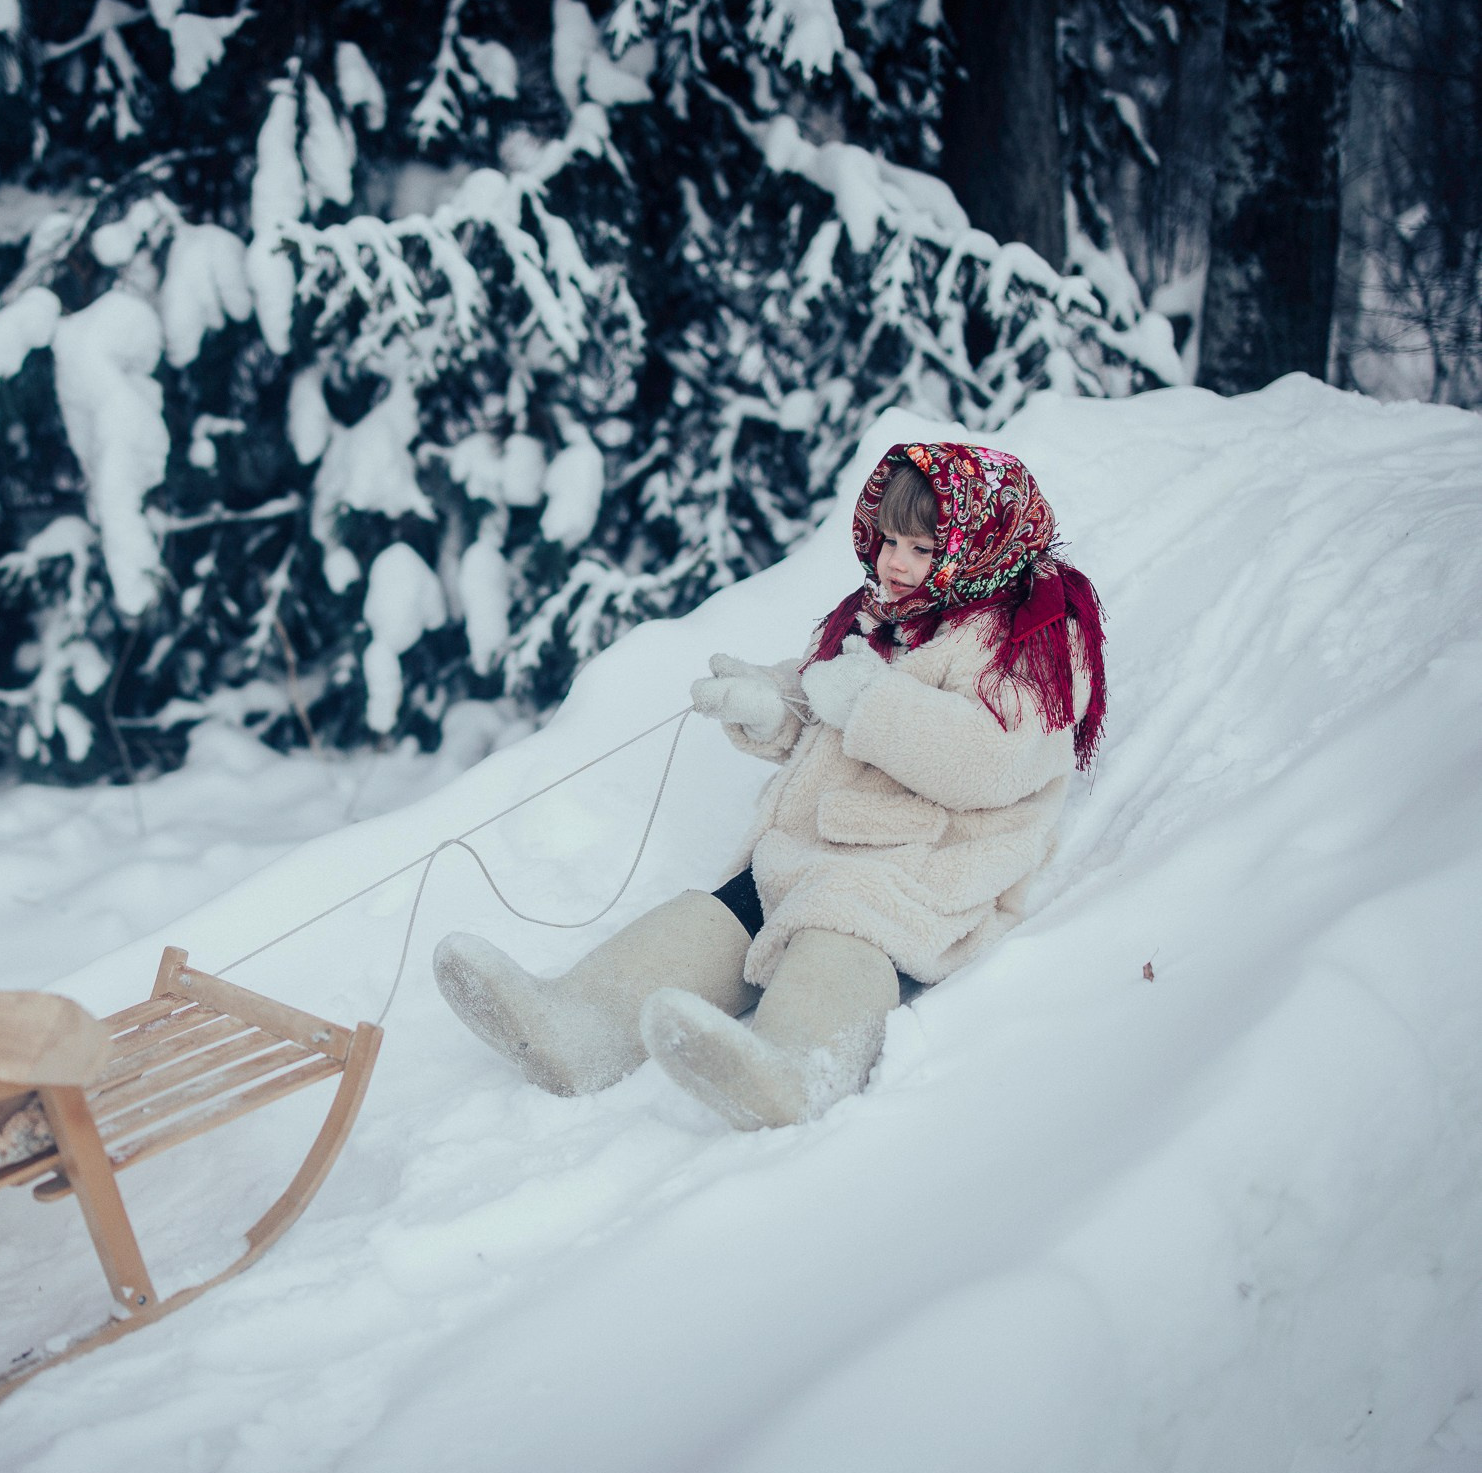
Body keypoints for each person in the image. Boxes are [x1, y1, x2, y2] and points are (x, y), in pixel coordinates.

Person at [433, 442, 1108, 1129]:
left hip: (929, 863)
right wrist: (771, 704)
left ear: (977, 548)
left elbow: (991, 759)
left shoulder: (1031, 639)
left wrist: (870, 705)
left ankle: (800, 1068)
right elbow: (824, 700)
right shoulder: (887, 613)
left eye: (921, 548)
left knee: (840, 921)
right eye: (888, 541)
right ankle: (580, 1025)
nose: (894, 563)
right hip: (830, 838)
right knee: (729, 909)